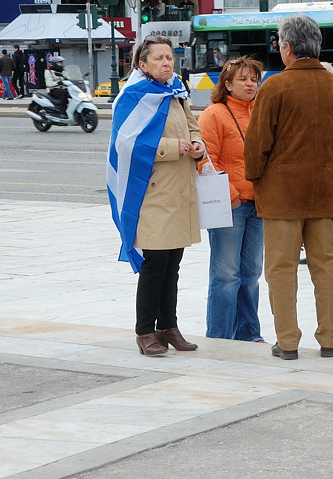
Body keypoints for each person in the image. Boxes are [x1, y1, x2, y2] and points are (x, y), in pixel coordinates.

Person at [244, 14, 333, 361]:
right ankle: (330, 340)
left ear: (288, 48)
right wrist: (330, 173)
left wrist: (258, 178)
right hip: (324, 194)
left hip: (281, 197)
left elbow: (257, 145)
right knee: (326, 266)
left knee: (281, 269)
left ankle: (288, 341)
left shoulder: (274, 87)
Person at [107, 34, 206, 357]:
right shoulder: (133, 96)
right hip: (152, 193)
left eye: (169, 57)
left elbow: (193, 126)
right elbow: (126, 145)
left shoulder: (175, 91)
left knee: (172, 262)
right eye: (159, 58)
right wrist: (172, 148)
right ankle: (145, 331)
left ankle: (169, 325)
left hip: (179, 191)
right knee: (155, 263)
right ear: (142, 64)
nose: (167, 63)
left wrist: (197, 144)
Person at [198, 56, 265, 342]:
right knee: (226, 276)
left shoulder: (260, 112)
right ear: (227, 84)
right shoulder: (215, 114)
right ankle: (219, 336)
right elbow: (204, 158)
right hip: (232, 207)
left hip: (259, 205)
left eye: (254, 79)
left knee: (251, 276)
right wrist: (232, 195)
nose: (250, 84)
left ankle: (249, 334)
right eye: (243, 79)